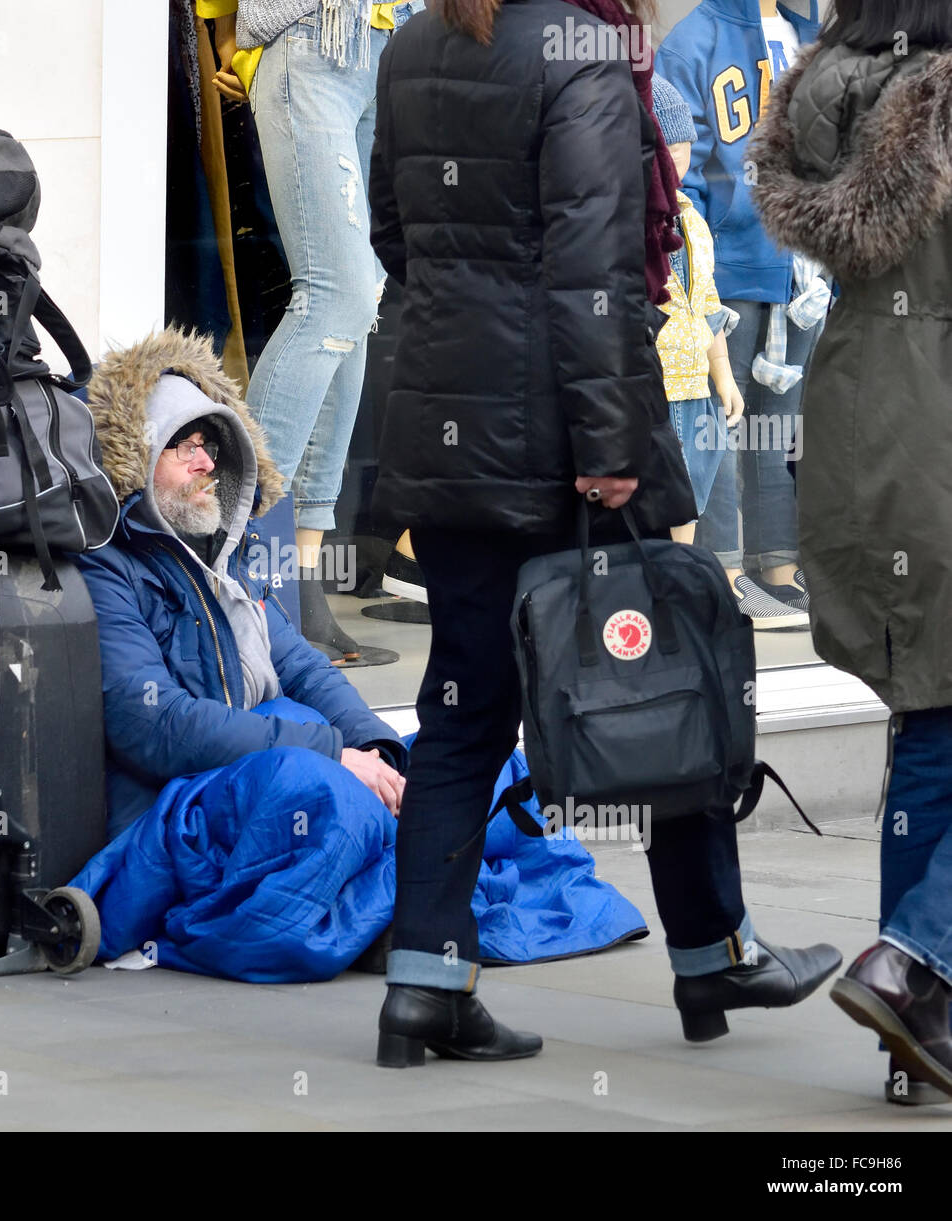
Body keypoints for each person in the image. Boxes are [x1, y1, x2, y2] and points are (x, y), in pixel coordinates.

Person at [367, 0, 840, 1067]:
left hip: (447, 418)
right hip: (559, 431)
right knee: (666, 673)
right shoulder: (577, 48)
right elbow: (592, 263)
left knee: (460, 706)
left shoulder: (410, 43)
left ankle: (425, 988)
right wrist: (611, 440)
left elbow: (391, 233)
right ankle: (713, 951)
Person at [66, 327, 650, 983]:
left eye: (209, 444)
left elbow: (304, 668)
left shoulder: (228, 554)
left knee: (499, 769)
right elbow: (153, 724)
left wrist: (381, 753)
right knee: (321, 793)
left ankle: (391, 909)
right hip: (184, 806)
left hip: (277, 763)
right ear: (137, 460)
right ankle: (389, 913)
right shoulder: (107, 568)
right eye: (181, 446)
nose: (205, 462)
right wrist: (331, 755)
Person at [751, 0, 952, 1106]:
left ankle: (906, 1041)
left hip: (858, 428)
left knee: (928, 723)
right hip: (938, 436)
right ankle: (916, 960)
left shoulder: (828, 88)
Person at [200, 0, 421, 663]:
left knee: (357, 300)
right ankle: (237, 547)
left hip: (386, 48)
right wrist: (227, 37)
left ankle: (296, 576)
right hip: (313, 39)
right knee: (337, 291)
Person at [658, 0, 823, 630]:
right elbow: (678, 166)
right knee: (718, 422)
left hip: (802, 265)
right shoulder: (694, 39)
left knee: (781, 428)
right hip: (728, 264)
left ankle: (776, 567)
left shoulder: (812, 33)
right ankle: (721, 568)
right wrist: (694, 255)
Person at [652, 76, 744, 548]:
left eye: (686, 149)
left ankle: (680, 571)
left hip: (694, 386)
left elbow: (708, 302)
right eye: (668, 150)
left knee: (692, 488)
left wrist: (723, 376)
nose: (679, 163)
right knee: (657, 489)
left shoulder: (691, 218)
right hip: (652, 387)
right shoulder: (627, 217)